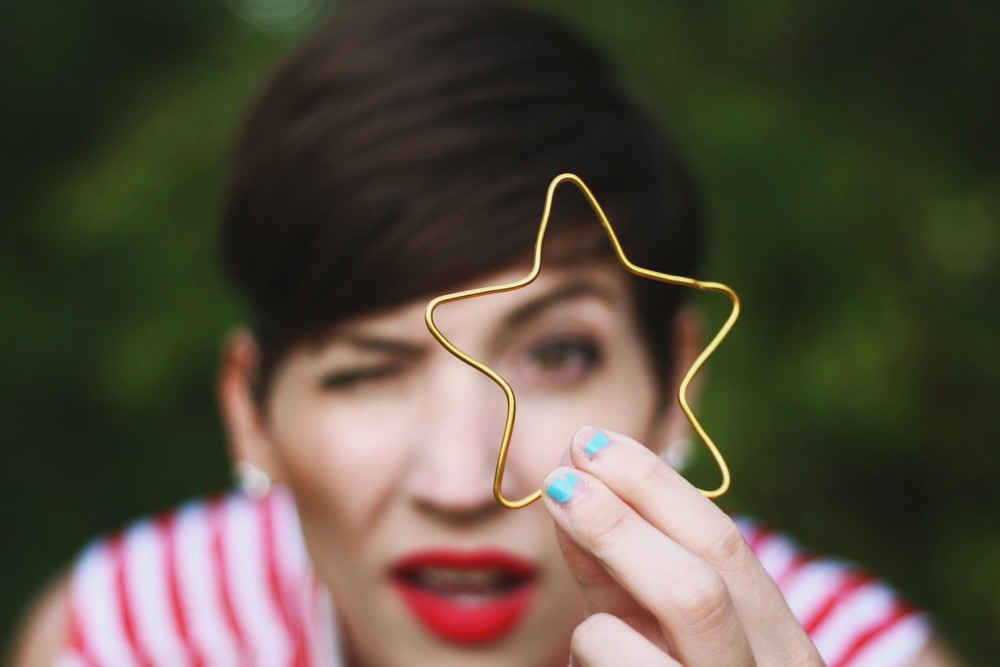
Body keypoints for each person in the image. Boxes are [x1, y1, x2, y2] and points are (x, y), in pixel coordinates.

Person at [10, 1, 960, 665]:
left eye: (557, 353)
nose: (465, 483)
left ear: (674, 382)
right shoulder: (127, 636)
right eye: (367, 371)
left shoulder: (861, 654)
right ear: (251, 413)